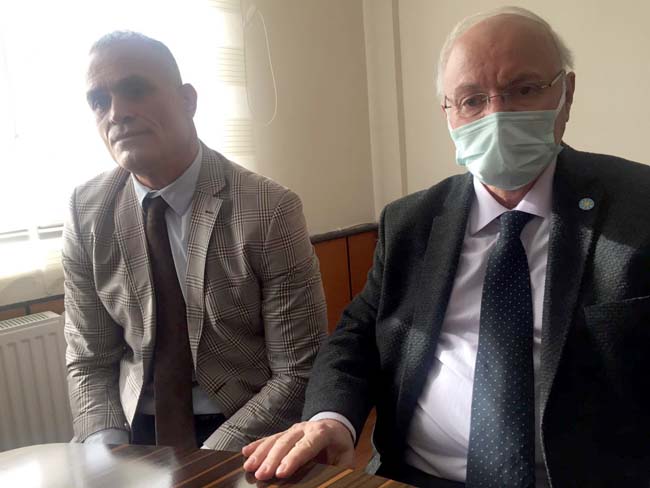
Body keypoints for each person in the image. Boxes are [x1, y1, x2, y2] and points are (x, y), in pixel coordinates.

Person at [241, 6, 650, 487]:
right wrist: (331, 419)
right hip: (413, 478)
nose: (497, 115)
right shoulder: (411, 221)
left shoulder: (638, 207)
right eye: (472, 100)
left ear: (567, 92)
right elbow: (357, 335)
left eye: (524, 89)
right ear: (448, 113)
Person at [63, 31, 327, 451]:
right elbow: (89, 360)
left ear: (188, 100)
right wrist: (106, 452)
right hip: (134, 425)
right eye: (99, 100)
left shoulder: (268, 208)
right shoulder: (87, 211)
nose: (117, 113)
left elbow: (298, 371)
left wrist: (205, 466)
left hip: (246, 424)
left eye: (135, 90)